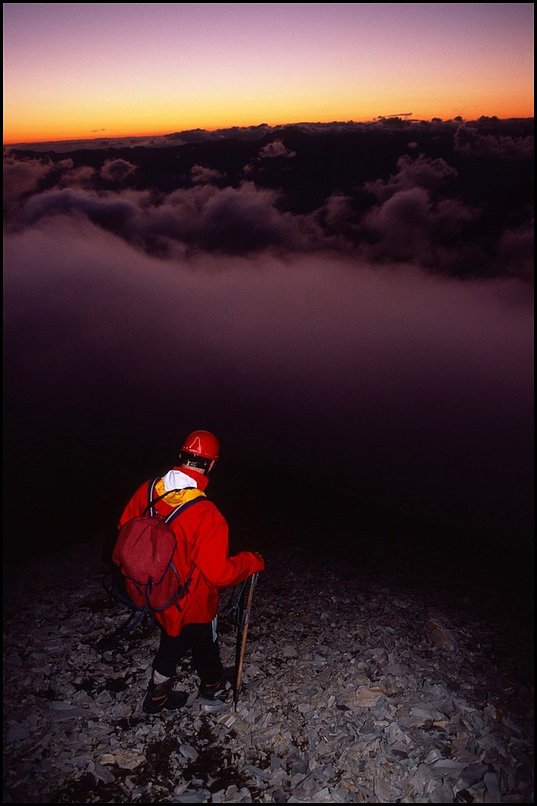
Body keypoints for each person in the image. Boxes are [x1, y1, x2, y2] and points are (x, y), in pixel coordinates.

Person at [117, 429, 265, 714]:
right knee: (204, 639)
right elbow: (219, 575)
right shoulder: (206, 513)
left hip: (156, 588)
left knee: (173, 635)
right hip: (193, 598)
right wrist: (250, 561)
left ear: (182, 456)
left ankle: (158, 693)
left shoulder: (147, 490)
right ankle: (212, 684)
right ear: (211, 464)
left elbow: (124, 528)